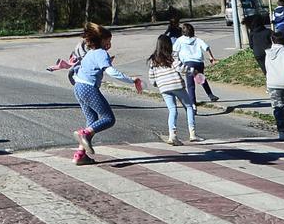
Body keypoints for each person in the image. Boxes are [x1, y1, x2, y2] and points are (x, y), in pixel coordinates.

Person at [71, 22, 141, 165]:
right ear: (101, 40)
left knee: (92, 121)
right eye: (108, 40)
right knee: (108, 119)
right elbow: (111, 72)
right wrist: (131, 80)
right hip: (88, 88)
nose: (110, 43)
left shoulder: (90, 53)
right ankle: (82, 134)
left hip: (78, 87)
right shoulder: (102, 53)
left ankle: (80, 155)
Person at [147, 33, 198, 145]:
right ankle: (192, 133)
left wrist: (156, 83)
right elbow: (180, 68)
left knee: (172, 110)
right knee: (189, 106)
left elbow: (151, 76)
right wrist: (193, 71)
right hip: (176, 84)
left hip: (163, 87)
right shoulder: (172, 56)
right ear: (169, 45)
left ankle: (172, 135)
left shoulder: (153, 59)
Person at [172, 23, 219, 104]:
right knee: (200, 78)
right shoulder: (197, 39)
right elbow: (206, 47)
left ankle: (193, 104)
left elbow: (174, 51)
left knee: (190, 85)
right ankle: (210, 95)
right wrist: (212, 58)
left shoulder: (179, 40)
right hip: (199, 63)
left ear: (183, 31)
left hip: (188, 63)